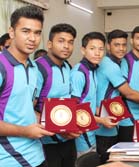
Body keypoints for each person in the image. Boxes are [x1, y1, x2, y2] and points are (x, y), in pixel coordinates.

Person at [96, 30, 139, 163]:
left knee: (134, 157)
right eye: (117, 45)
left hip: (136, 116)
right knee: (120, 158)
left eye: (123, 45)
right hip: (123, 118)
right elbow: (126, 92)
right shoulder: (120, 62)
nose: (121, 48)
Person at [0, 6, 54, 166]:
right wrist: (25, 131)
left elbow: (25, 108)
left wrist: (57, 124)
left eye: (37, 33)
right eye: (26, 31)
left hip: (37, 154)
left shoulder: (33, 66)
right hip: (9, 159)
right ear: (11, 32)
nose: (32, 38)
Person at [34, 23, 80, 167]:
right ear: (49, 44)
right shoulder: (38, 68)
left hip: (69, 139)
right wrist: (56, 129)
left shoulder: (68, 66)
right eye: (61, 41)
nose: (66, 46)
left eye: (70, 42)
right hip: (47, 142)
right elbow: (29, 108)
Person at [71, 32, 106, 156]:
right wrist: (102, 120)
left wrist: (104, 113)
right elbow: (74, 109)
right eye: (92, 49)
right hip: (81, 133)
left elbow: (88, 102)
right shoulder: (79, 73)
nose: (97, 53)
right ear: (83, 50)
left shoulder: (92, 70)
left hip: (91, 130)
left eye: (101, 49)